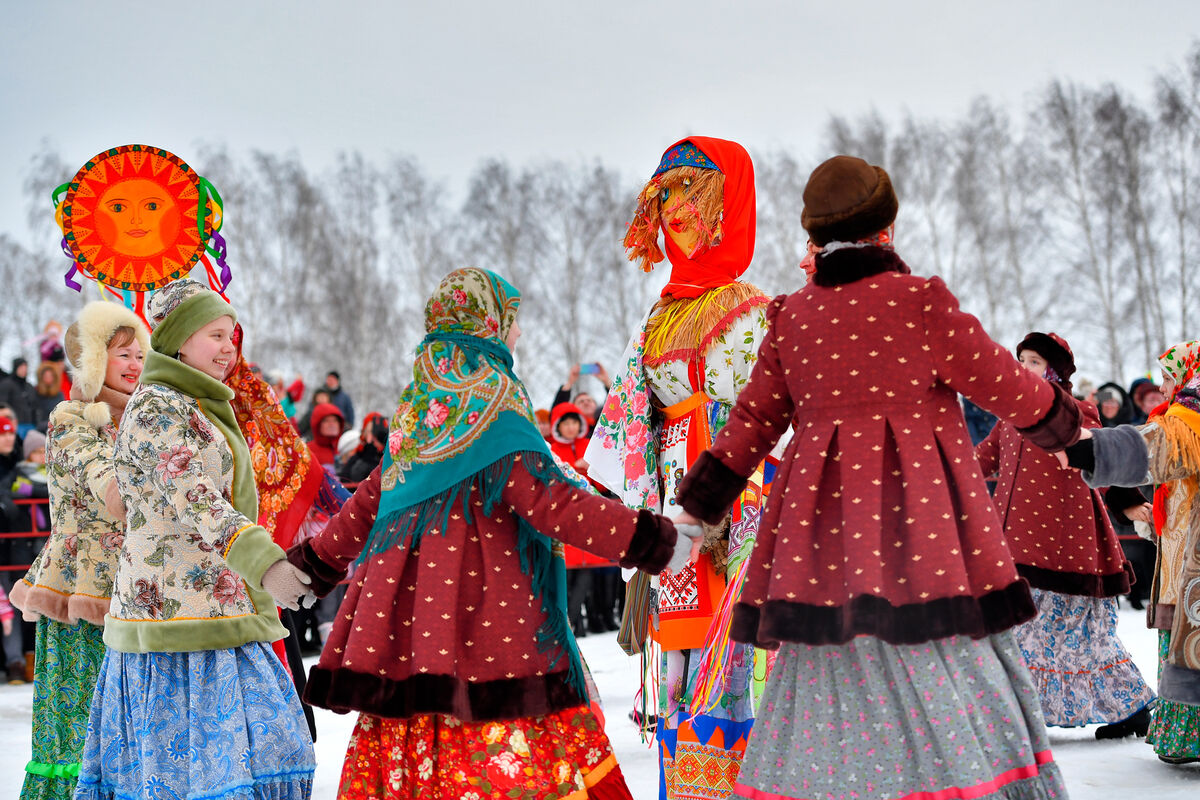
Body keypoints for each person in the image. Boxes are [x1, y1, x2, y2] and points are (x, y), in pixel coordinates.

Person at [674, 155, 1079, 799]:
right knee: (945, 664)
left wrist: (695, 510)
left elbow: (750, 422)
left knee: (825, 672)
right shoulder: (919, 302)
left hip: (820, 548)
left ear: (815, 237)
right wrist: (1065, 429)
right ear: (885, 225)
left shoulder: (793, 318)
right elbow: (1001, 380)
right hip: (924, 538)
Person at [279, 267, 691, 799]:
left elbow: (370, 500)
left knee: (419, 751)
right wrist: (654, 540)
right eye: (512, 321)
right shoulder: (495, 401)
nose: (517, 335)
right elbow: (550, 502)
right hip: (492, 629)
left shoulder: (420, 407)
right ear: (489, 324)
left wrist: (311, 562)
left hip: (410, 636)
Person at [73, 280, 315, 800]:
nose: (230, 347)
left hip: (215, 605)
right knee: (192, 773)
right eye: (216, 335)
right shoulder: (157, 408)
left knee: (276, 746)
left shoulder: (196, 402)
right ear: (181, 340)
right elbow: (195, 496)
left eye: (233, 336)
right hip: (174, 621)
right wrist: (265, 564)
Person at [586, 136, 770, 799]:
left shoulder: (748, 307)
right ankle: (688, 778)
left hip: (738, 490)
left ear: (729, 206)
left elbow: (775, 413)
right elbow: (632, 409)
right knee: (684, 637)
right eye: (665, 197)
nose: (674, 212)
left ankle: (740, 778)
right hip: (672, 485)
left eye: (692, 193)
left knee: (733, 638)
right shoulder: (663, 313)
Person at [976, 331, 1155, 738]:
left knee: (1078, 636)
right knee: (1022, 631)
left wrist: (1127, 501)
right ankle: (1021, 711)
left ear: (1054, 369)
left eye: (1034, 361)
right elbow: (980, 461)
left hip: (1065, 546)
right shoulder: (1007, 418)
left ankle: (1132, 706)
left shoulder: (1072, 412)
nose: (1024, 368)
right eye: (1020, 359)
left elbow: (1102, 455)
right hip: (1015, 546)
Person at [6, 301, 147, 799]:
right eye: (122, 354)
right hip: (79, 592)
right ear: (92, 360)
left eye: (140, 354)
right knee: (79, 726)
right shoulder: (71, 420)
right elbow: (107, 482)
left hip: (135, 587)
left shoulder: (148, 419)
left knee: (132, 725)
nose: (135, 364)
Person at [1064, 339, 1200, 765]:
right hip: (1179, 559)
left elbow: (1158, 449)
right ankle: (1183, 741)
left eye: (1168, 376)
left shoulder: (1187, 420)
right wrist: (1145, 518)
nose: (1164, 385)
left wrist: (1093, 449)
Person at [0, 359, 38, 436]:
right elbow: (3, 404)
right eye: (21, 368)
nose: (24, 370)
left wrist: (36, 421)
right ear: (16, 368)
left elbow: (35, 405)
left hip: (30, 424)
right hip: (15, 424)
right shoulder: (6, 384)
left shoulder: (29, 386)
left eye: (25, 368)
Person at [307, 401, 347, 469]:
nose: (332, 424)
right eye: (326, 421)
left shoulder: (346, 447)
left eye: (335, 420)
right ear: (317, 425)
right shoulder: (308, 451)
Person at [32, 364, 64, 434]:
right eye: (46, 376)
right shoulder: (36, 394)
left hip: (56, 429)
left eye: (50, 376)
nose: (48, 378)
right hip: (40, 429)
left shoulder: (59, 395)